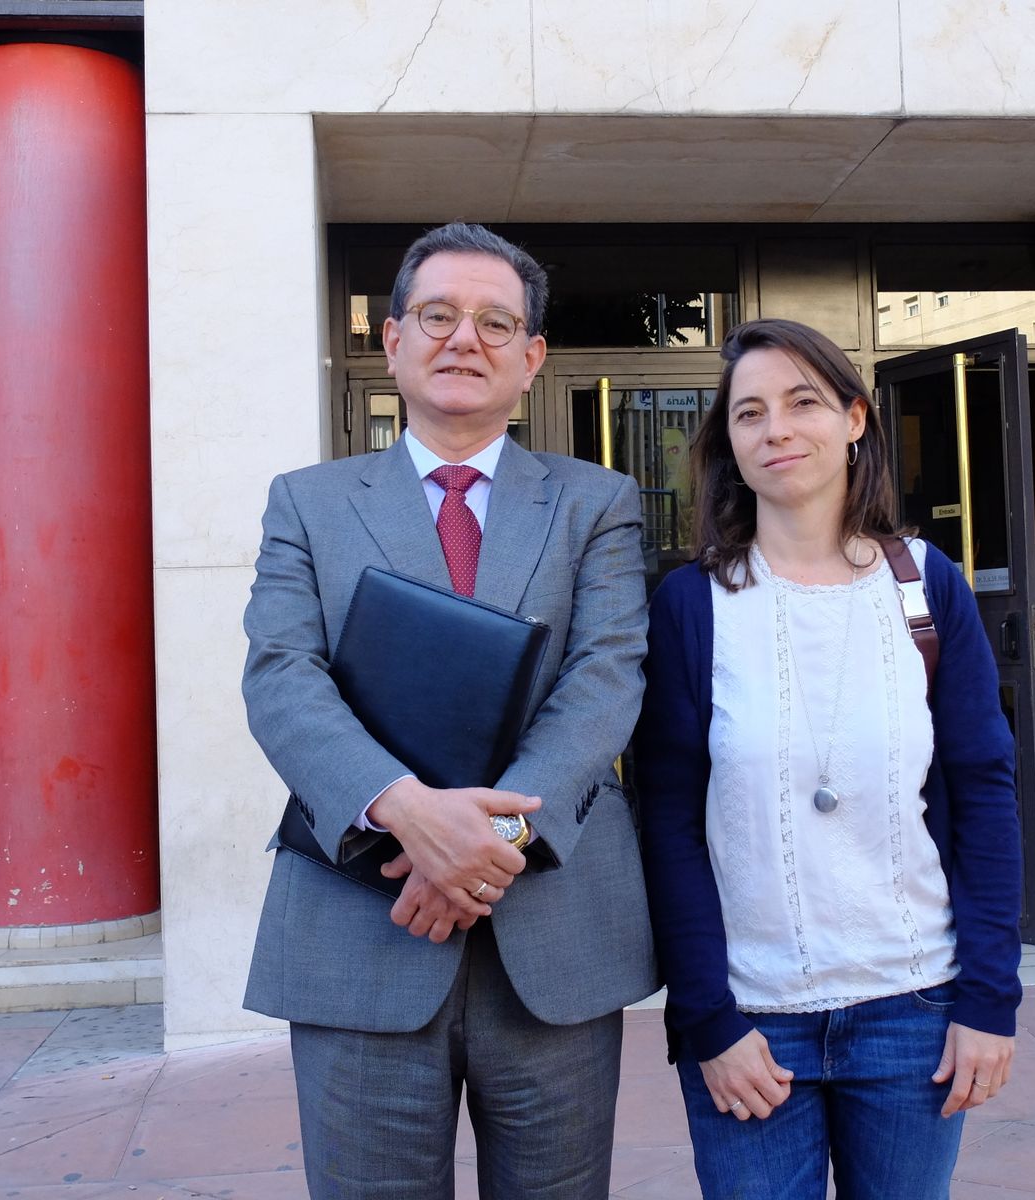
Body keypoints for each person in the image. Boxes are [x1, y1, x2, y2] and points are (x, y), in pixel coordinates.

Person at [241, 222, 656, 1199]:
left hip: (552, 938)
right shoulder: (307, 502)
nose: (463, 338)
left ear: (530, 357)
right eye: (437, 315)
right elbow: (281, 678)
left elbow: (605, 682)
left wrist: (485, 844)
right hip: (359, 921)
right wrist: (408, 813)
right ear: (391, 341)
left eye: (494, 322)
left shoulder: (596, 502)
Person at [635, 318, 1021, 1199]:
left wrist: (989, 999)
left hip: (915, 1009)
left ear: (854, 419)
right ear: (728, 444)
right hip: (751, 1023)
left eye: (802, 402)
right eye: (749, 413)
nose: (777, 430)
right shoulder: (692, 607)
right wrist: (705, 1020)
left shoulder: (928, 587)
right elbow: (667, 823)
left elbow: (985, 794)